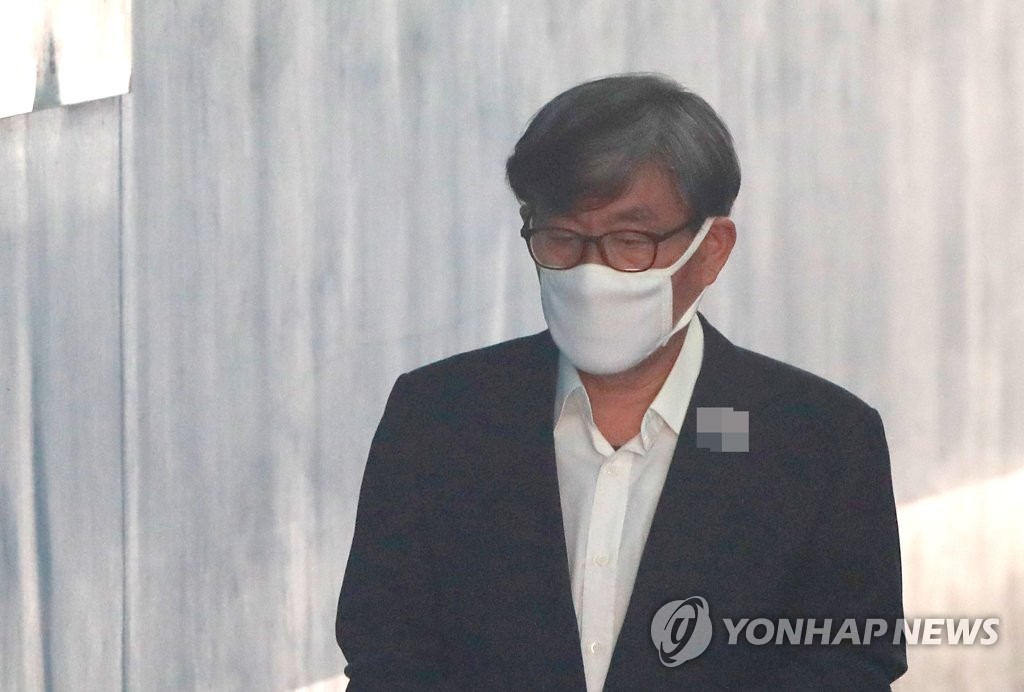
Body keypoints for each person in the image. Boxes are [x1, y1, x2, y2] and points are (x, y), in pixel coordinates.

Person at [336, 73, 907, 691]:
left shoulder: (815, 440)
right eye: (561, 237)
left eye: (630, 241)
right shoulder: (441, 419)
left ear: (711, 249)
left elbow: (851, 660)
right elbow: (387, 651)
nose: (591, 271)